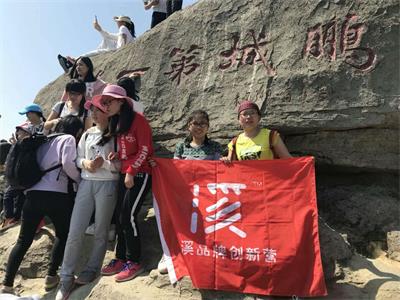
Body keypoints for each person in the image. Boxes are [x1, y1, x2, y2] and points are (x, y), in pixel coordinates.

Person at [1, 116, 84, 295]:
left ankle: (7, 285)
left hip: (32, 195)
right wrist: (80, 180)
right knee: (63, 234)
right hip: (56, 196)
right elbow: (68, 165)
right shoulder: (67, 139)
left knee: (23, 241)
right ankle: (51, 276)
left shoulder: (43, 141)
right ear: (76, 131)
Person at [55, 99, 120, 300]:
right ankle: (65, 279)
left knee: (101, 230)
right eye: (91, 110)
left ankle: (91, 270)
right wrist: (87, 163)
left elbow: (121, 164)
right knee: (75, 230)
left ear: (107, 112)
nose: (93, 113)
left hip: (108, 184)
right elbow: (76, 158)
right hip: (85, 184)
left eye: (97, 110)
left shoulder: (117, 134)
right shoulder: (87, 134)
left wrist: (106, 165)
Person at [97, 85, 153, 282]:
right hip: (125, 173)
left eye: (108, 101)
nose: (105, 105)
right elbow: (127, 151)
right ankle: (120, 258)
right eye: (104, 103)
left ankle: (134, 261)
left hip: (140, 174)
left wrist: (130, 171)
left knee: (128, 216)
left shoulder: (139, 120)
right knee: (119, 216)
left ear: (121, 101)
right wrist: (117, 155)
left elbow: (145, 149)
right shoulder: (119, 122)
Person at [157, 110, 223, 274]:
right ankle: (170, 254)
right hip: (185, 194)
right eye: (195, 123)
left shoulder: (215, 146)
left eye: (203, 124)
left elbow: (219, 171)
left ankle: (204, 253)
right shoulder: (181, 146)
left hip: (208, 195)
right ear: (188, 126)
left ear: (208, 127)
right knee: (178, 223)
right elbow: (174, 169)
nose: (199, 127)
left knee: (206, 226)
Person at [58, 15, 135, 72]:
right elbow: (110, 36)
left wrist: (121, 50)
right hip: (117, 48)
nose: (117, 23)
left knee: (98, 51)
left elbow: (122, 38)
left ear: (124, 23)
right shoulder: (127, 32)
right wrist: (98, 28)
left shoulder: (123, 28)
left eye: (118, 21)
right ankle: (76, 61)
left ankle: (75, 61)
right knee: (105, 39)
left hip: (116, 49)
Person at [221, 100, 292, 162]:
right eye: (245, 114)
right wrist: (226, 160)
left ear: (259, 117)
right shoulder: (234, 143)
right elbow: (232, 168)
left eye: (252, 113)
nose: (249, 117)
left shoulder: (271, 136)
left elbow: (289, 161)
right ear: (239, 120)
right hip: (245, 178)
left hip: (268, 177)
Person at [1, 123, 33, 229]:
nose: (18, 136)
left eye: (20, 134)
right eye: (17, 134)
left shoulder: (28, 144)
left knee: (8, 196)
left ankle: (10, 217)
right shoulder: (21, 144)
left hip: (21, 178)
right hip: (19, 178)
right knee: (19, 198)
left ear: (27, 133)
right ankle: (14, 218)